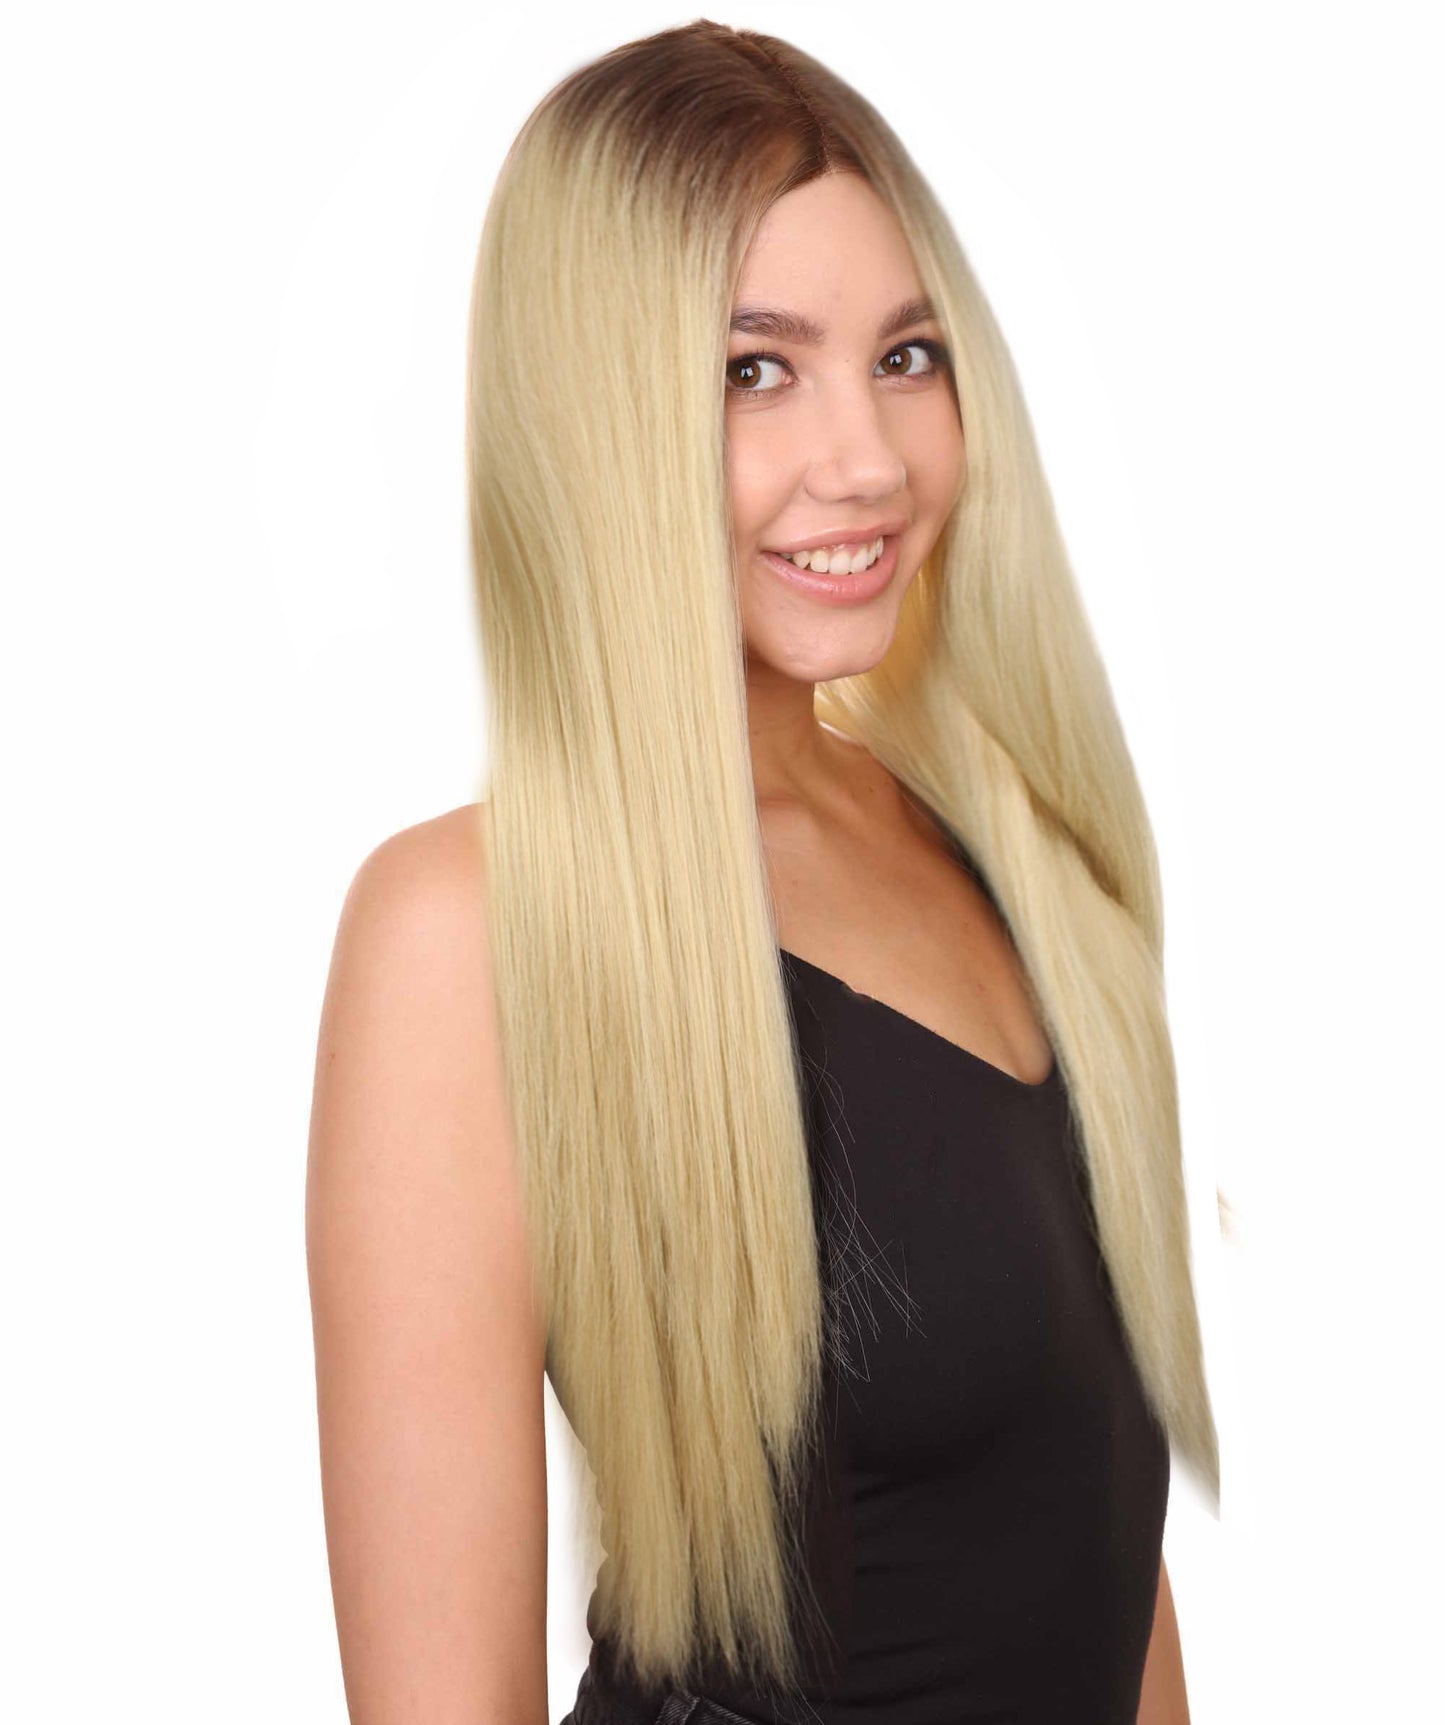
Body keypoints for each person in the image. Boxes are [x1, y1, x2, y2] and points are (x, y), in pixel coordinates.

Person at [306, 20, 1218, 1725]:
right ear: (593, 415)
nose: (865, 457)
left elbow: (1089, 1532)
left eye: (906, 355)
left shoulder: (995, 849)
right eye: (754, 371)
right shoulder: (466, 934)